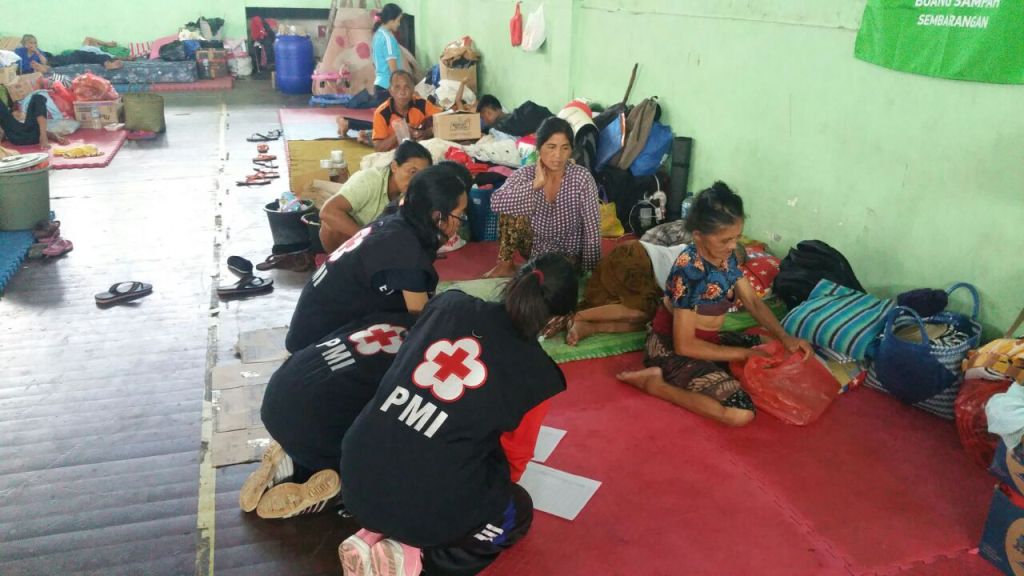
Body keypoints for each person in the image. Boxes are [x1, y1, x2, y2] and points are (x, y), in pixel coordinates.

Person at [337, 253, 579, 576]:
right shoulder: (537, 376)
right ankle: (419, 558)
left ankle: (374, 533)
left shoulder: (447, 305)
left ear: (512, 283)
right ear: (556, 320)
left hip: (356, 471)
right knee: (515, 511)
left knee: (425, 455)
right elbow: (511, 466)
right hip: (422, 501)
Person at [616, 182, 813, 427]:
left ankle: (732, 361)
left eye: (737, 238)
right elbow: (685, 344)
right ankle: (654, 384)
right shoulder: (689, 271)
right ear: (698, 235)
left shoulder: (725, 257)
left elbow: (751, 300)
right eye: (725, 240)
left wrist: (785, 338)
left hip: (709, 341)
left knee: (777, 348)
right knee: (740, 413)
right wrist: (743, 354)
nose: (733, 246)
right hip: (671, 350)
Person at [240, 311, 416, 519]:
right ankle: (332, 489)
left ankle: (290, 461)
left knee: (340, 399)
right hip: (311, 427)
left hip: (278, 393)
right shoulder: (422, 361)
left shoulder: (394, 318)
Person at [285, 163, 470, 353]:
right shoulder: (406, 252)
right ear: (438, 216)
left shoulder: (399, 214)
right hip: (315, 344)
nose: (461, 221)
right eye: (459, 215)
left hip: (309, 323)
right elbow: (422, 324)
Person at [484, 116, 601, 278]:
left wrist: (590, 272)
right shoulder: (527, 174)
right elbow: (496, 202)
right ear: (539, 148)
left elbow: (592, 229)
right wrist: (535, 184)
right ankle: (506, 265)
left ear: (571, 150)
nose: (558, 156)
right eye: (551, 147)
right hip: (538, 250)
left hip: (570, 254)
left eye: (565, 148)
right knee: (510, 208)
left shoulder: (581, 178)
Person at [318, 140, 432, 253]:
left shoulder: (414, 192)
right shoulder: (369, 180)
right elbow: (327, 212)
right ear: (394, 166)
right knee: (330, 223)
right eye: (412, 172)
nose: (415, 180)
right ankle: (339, 266)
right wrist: (368, 238)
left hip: (374, 241)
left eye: (421, 175)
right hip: (352, 240)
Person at [369, 70, 440, 152]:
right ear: (390, 91)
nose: (402, 92)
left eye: (406, 87)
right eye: (397, 87)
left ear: (413, 90)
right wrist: (400, 132)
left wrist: (426, 133)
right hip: (394, 154)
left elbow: (444, 120)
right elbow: (378, 148)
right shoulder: (381, 113)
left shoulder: (421, 104)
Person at [15, 35, 123, 73]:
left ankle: (107, 62)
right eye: (30, 43)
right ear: (24, 44)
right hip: (55, 62)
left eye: (35, 43)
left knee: (82, 54)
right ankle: (107, 62)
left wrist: (37, 52)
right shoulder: (19, 52)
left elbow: (46, 61)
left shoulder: (39, 52)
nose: (33, 45)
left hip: (56, 60)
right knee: (82, 55)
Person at [0, 94, 68, 149]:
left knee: (37, 97)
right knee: (38, 97)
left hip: (34, 135)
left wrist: (55, 137)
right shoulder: (10, 120)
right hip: (18, 136)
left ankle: (43, 137)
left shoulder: (30, 120)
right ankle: (43, 136)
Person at [371, 4, 404, 105]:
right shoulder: (388, 38)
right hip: (388, 88)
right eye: (398, 20)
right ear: (390, 20)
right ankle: (348, 122)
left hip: (379, 85)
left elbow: (374, 63)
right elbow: (393, 69)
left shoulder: (377, 35)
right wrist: (401, 87)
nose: (399, 24)